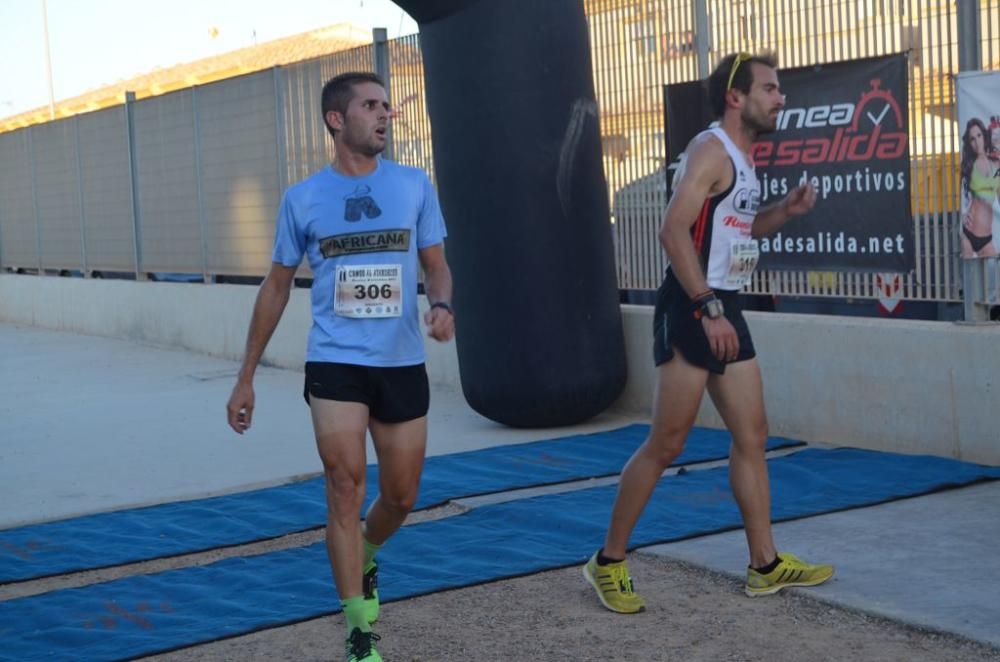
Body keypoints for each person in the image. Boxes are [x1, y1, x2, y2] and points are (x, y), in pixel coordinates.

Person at [583, 52, 833, 613]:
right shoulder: (710, 149)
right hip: (696, 305)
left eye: (780, 88)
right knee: (668, 442)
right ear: (735, 97)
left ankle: (764, 564)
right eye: (770, 88)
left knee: (753, 433)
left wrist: (784, 212)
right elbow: (672, 232)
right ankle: (608, 563)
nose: (781, 97)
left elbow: (736, 229)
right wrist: (707, 307)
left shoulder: (743, 157)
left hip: (725, 302)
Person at [226, 71, 454, 662]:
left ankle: (368, 550)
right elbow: (276, 287)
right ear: (337, 120)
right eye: (371, 106)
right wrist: (246, 375)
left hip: (401, 361)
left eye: (386, 106)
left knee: (401, 495)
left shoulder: (412, 185)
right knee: (344, 484)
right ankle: (358, 629)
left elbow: (436, 264)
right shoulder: (302, 199)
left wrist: (443, 304)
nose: (385, 115)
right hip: (334, 361)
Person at [959, 118, 999, 258]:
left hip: (986, 238)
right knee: (971, 280)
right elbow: (963, 199)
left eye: (979, 136)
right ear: (969, 143)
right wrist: (963, 216)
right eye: (972, 139)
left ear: (984, 135)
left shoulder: (996, 166)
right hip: (968, 235)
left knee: (994, 279)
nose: (976, 142)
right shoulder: (969, 166)